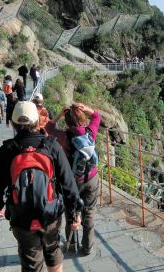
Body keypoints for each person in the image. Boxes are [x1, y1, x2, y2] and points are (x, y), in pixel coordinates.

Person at [0, 101, 82, 272]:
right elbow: (68, 182)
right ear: (37, 122)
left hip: (21, 216)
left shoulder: (7, 149)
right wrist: (74, 214)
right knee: (52, 249)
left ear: (14, 124)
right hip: (50, 212)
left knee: (30, 258)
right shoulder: (51, 145)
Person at [45, 102, 101, 256]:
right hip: (91, 178)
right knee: (89, 212)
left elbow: (48, 128)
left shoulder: (63, 136)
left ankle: (71, 245)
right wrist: (86, 108)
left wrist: (59, 115)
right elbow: (97, 116)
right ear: (83, 117)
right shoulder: (90, 133)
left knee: (71, 212)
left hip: (72, 181)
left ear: (67, 120)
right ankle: (87, 248)